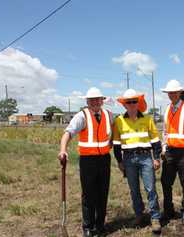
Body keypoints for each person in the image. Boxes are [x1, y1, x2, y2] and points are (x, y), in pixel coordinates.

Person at [58, 87, 113, 237]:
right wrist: (63, 150)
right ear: (87, 101)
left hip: (104, 160)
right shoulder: (81, 116)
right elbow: (68, 133)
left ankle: (100, 224)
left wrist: (112, 144)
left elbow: (113, 133)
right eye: (92, 100)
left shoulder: (109, 115)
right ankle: (87, 226)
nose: (95, 102)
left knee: (103, 192)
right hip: (88, 161)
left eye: (98, 99)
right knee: (88, 194)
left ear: (102, 100)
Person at [113, 89, 162, 233]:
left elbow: (155, 141)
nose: (132, 104)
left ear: (138, 103)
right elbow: (116, 144)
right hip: (128, 159)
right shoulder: (119, 121)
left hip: (146, 157)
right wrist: (119, 161)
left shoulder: (147, 119)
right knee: (134, 190)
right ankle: (139, 215)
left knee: (150, 188)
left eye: (135, 101)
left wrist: (157, 158)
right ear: (125, 105)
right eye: (129, 102)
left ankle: (155, 217)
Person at [160, 80, 184, 224]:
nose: (172, 95)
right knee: (165, 182)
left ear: (180, 93)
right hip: (170, 151)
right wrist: (164, 148)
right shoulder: (167, 108)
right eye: (170, 93)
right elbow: (165, 131)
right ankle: (168, 210)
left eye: (174, 92)